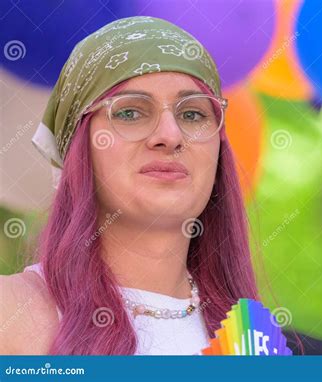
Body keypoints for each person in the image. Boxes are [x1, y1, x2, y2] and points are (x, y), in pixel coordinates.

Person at [0, 16, 259, 355]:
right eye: (130, 112)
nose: (170, 135)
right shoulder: (12, 312)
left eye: (193, 114)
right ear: (79, 147)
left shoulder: (253, 338)